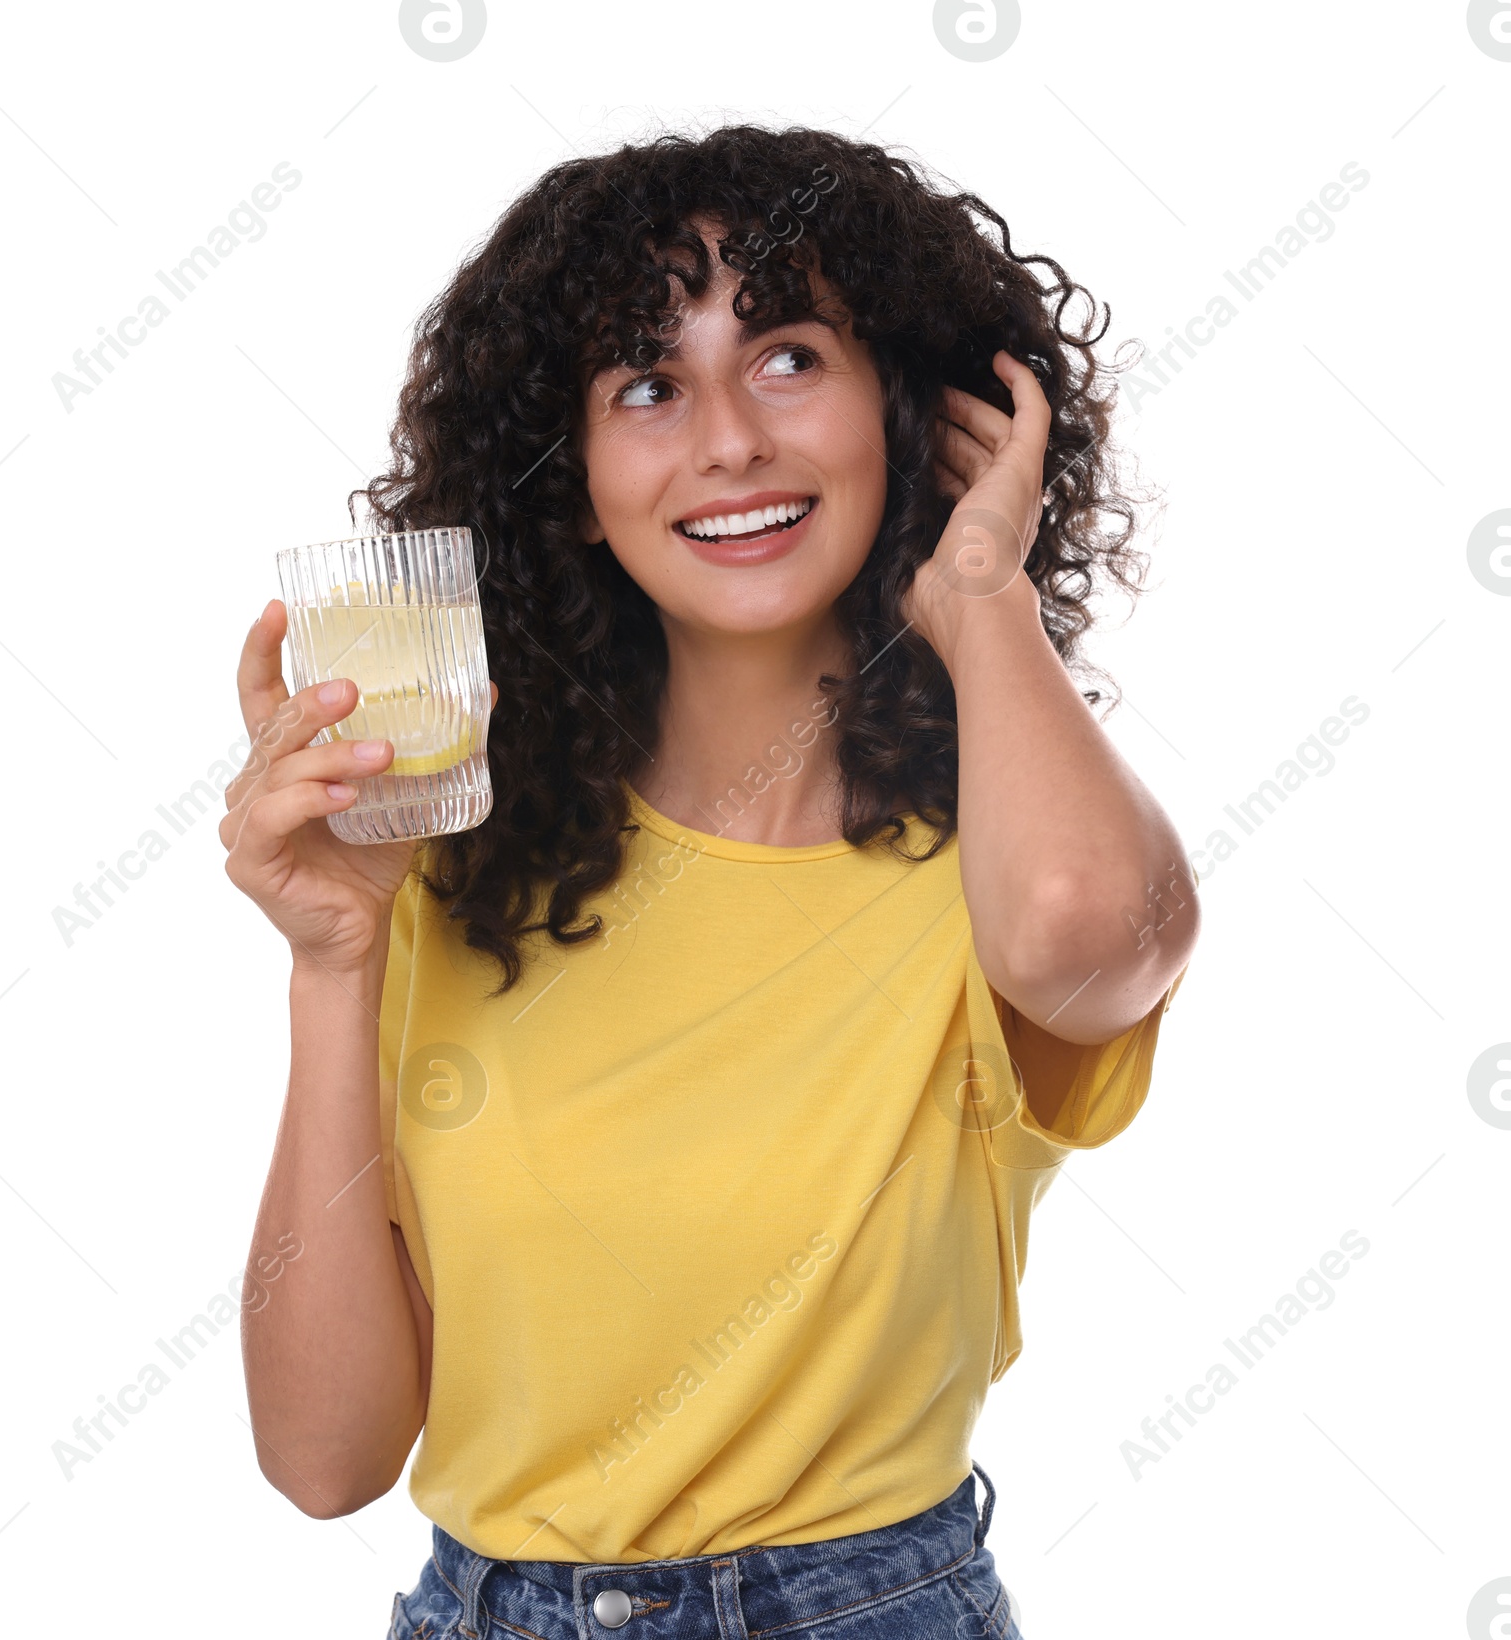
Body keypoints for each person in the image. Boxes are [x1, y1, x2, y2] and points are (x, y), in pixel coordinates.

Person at [220, 123, 1198, 1639]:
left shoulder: (999, 864)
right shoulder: (451, 869)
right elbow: (324, 1459)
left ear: (911, 410)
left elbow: (1095, 938)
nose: (729, 438)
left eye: (790, 356)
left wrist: (981, 590)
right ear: (575, 472)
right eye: (648, 386)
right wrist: (335, 958)